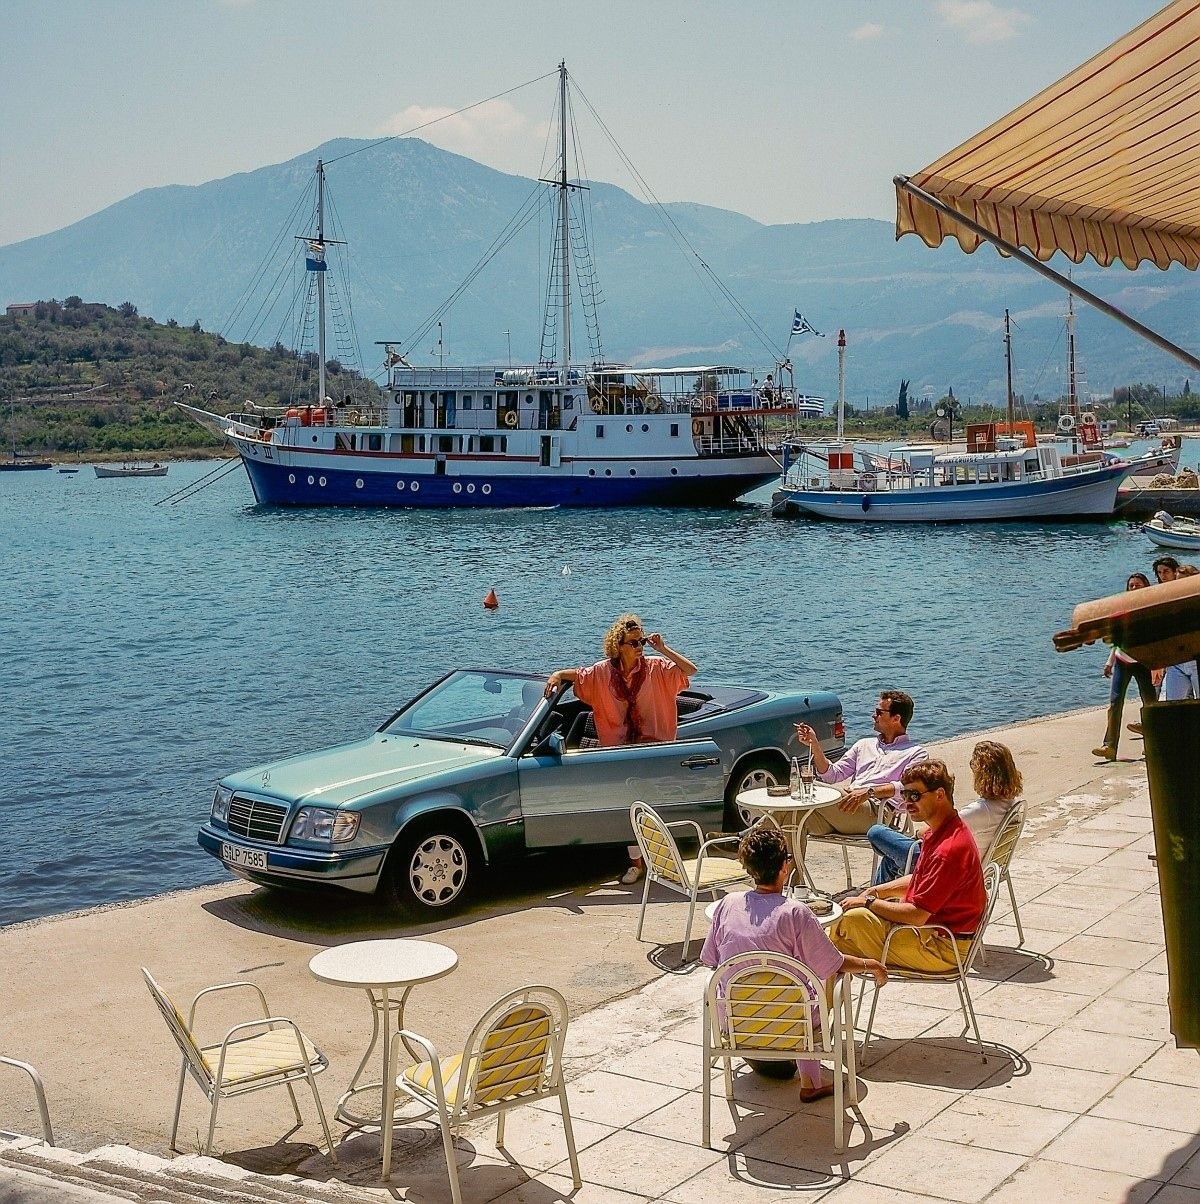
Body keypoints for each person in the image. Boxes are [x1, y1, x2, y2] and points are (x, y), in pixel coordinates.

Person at [701, 826, 887, 1094]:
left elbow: (710, 959)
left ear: (748, 867)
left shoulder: (727, 904)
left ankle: (808, 1080)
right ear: (784, 867)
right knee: (814, 986)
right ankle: (810, 1080)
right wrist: (871, 964)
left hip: (736, 1022)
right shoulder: (795, 913)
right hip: (793, 1025)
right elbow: (832, 964)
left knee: (783, 980)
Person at [546, 614, 698, 884]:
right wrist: (557, 674)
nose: (640, 647)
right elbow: (579, 675)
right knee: (630, 809)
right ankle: (637, 865)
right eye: (633, 643)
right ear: (618, 645)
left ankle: (661, 863)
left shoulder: (657, 668)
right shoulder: (603, 673)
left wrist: (662, 648)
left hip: (655, 749)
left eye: (641, 641)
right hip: (619, 752)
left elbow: (690, 671)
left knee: (655, 808)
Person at [830, 760, 986, 973]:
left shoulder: (948, 850)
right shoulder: (942, 832)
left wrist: (868, 902)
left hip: (941, 948)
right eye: (904, 795)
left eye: (915, 796)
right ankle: (817, 1002)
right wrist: (873, 891)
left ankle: (811, 1002)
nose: (907, 803)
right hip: (929, 934)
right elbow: (919, 879)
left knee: (847, 923)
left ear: (939, 794)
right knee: (832, 952)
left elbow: (916, 915)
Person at [867, 740, 1023, 885]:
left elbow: (930, 832)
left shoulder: (981, 811)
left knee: (876, 832)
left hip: (945, 866)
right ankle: (876, 903)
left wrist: (917, 834)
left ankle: (875, 903)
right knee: (891, 859)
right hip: (974, 865)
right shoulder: (1012, 803)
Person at [794, 690, 928, 844]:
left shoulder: (916, 753)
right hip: (846, 808)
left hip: (876, 813)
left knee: (807, 786)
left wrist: (869, 792)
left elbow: (908, 788)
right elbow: (833, 775)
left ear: (896, 718)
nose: (873, 715)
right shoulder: (864, 745)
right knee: (788, 818)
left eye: (879, 712)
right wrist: (815, 745)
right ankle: (778, 867)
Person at [1093, 573, 1156, 761]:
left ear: (1146, 586)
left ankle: (1153, 744)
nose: (1135, 588)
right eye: (1132, 585)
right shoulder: (1122, 609)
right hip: (1123, 661)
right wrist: (1109, 662)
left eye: (1138, 585)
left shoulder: (1152, 608)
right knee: (1115, 703)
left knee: (1150, 703)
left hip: (1144, 662)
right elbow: (1117, 640)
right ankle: (1109, 746)